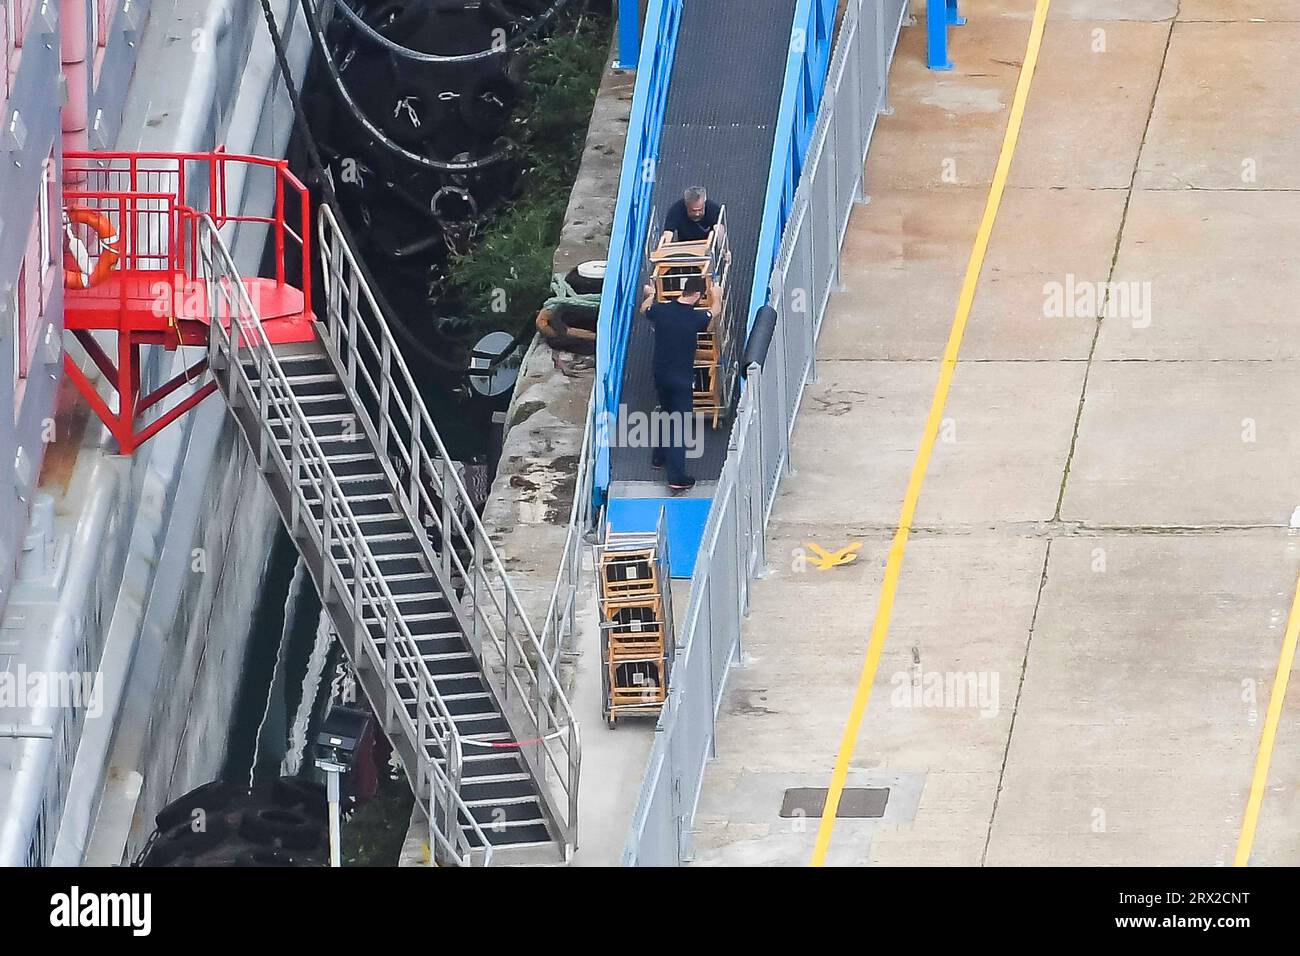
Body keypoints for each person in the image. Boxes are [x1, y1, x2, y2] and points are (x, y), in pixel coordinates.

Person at [640, 275, 718, 492]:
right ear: (697, 295)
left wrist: (651, 294)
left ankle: (659, 456)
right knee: (679, 425)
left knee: (666, 413)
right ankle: (676, 477)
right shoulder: (695, 318)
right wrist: (717, 295)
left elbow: (644, 309)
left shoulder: (661, 310)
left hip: (661, 375)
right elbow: (715, 311)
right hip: (681, 379)